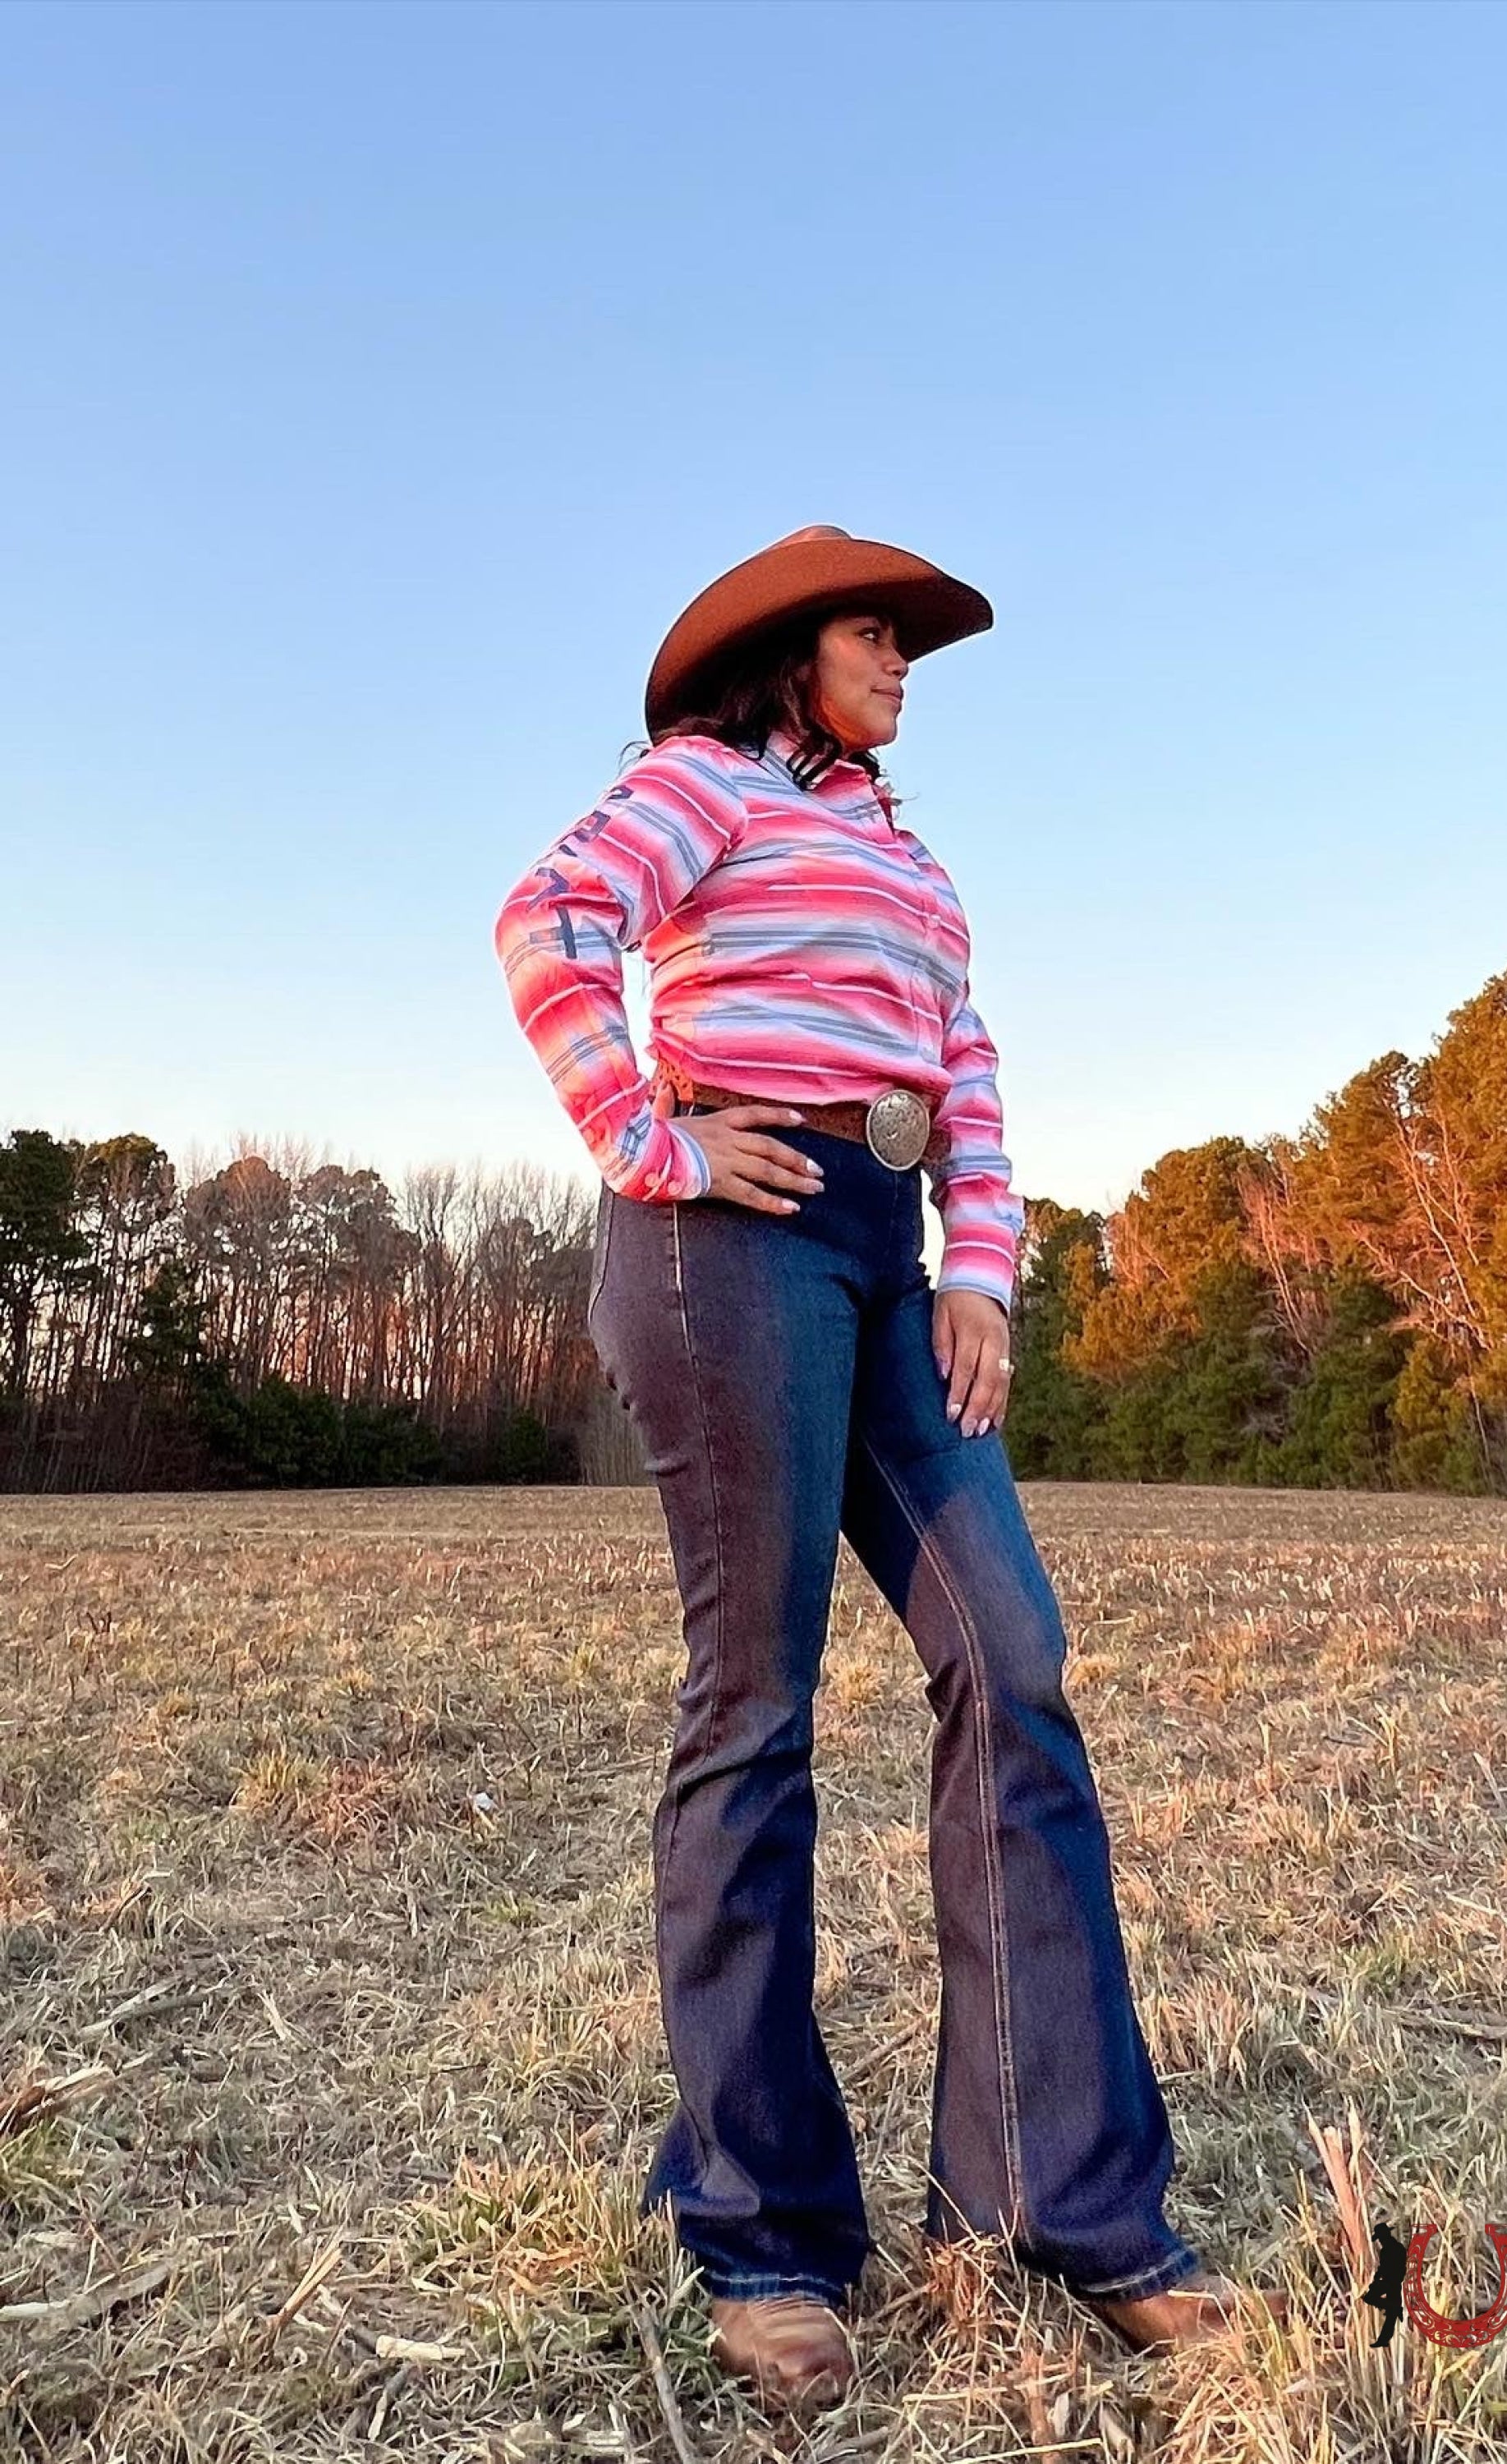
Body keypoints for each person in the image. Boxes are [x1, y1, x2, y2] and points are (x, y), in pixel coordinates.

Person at [493, 526, 1287, 2412]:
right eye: (876, 632)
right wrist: (649, 1141)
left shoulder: (913, 862)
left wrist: (982, 1271)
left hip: (884, 1252)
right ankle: (762, 2234)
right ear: (789, 653)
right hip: (729, 1236)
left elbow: (969, 1068)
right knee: (755, 1704)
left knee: (1013, 1659)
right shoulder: (706, 786)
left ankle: (1063, 2206)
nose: (904, 660)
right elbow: (549, 922)